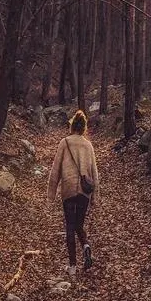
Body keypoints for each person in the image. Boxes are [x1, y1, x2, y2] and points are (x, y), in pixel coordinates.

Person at [47, 109, 99, 277]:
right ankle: (86, 246)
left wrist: (51, 194)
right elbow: (94, 172)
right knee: (79, 225)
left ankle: (72, 266)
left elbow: (55, 169)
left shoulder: (65, 142)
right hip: (84, 192)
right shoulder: (88, 145)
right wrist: (95, 197)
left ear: (72, 126)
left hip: (68, 189)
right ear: (84, 127)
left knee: (70, 226)